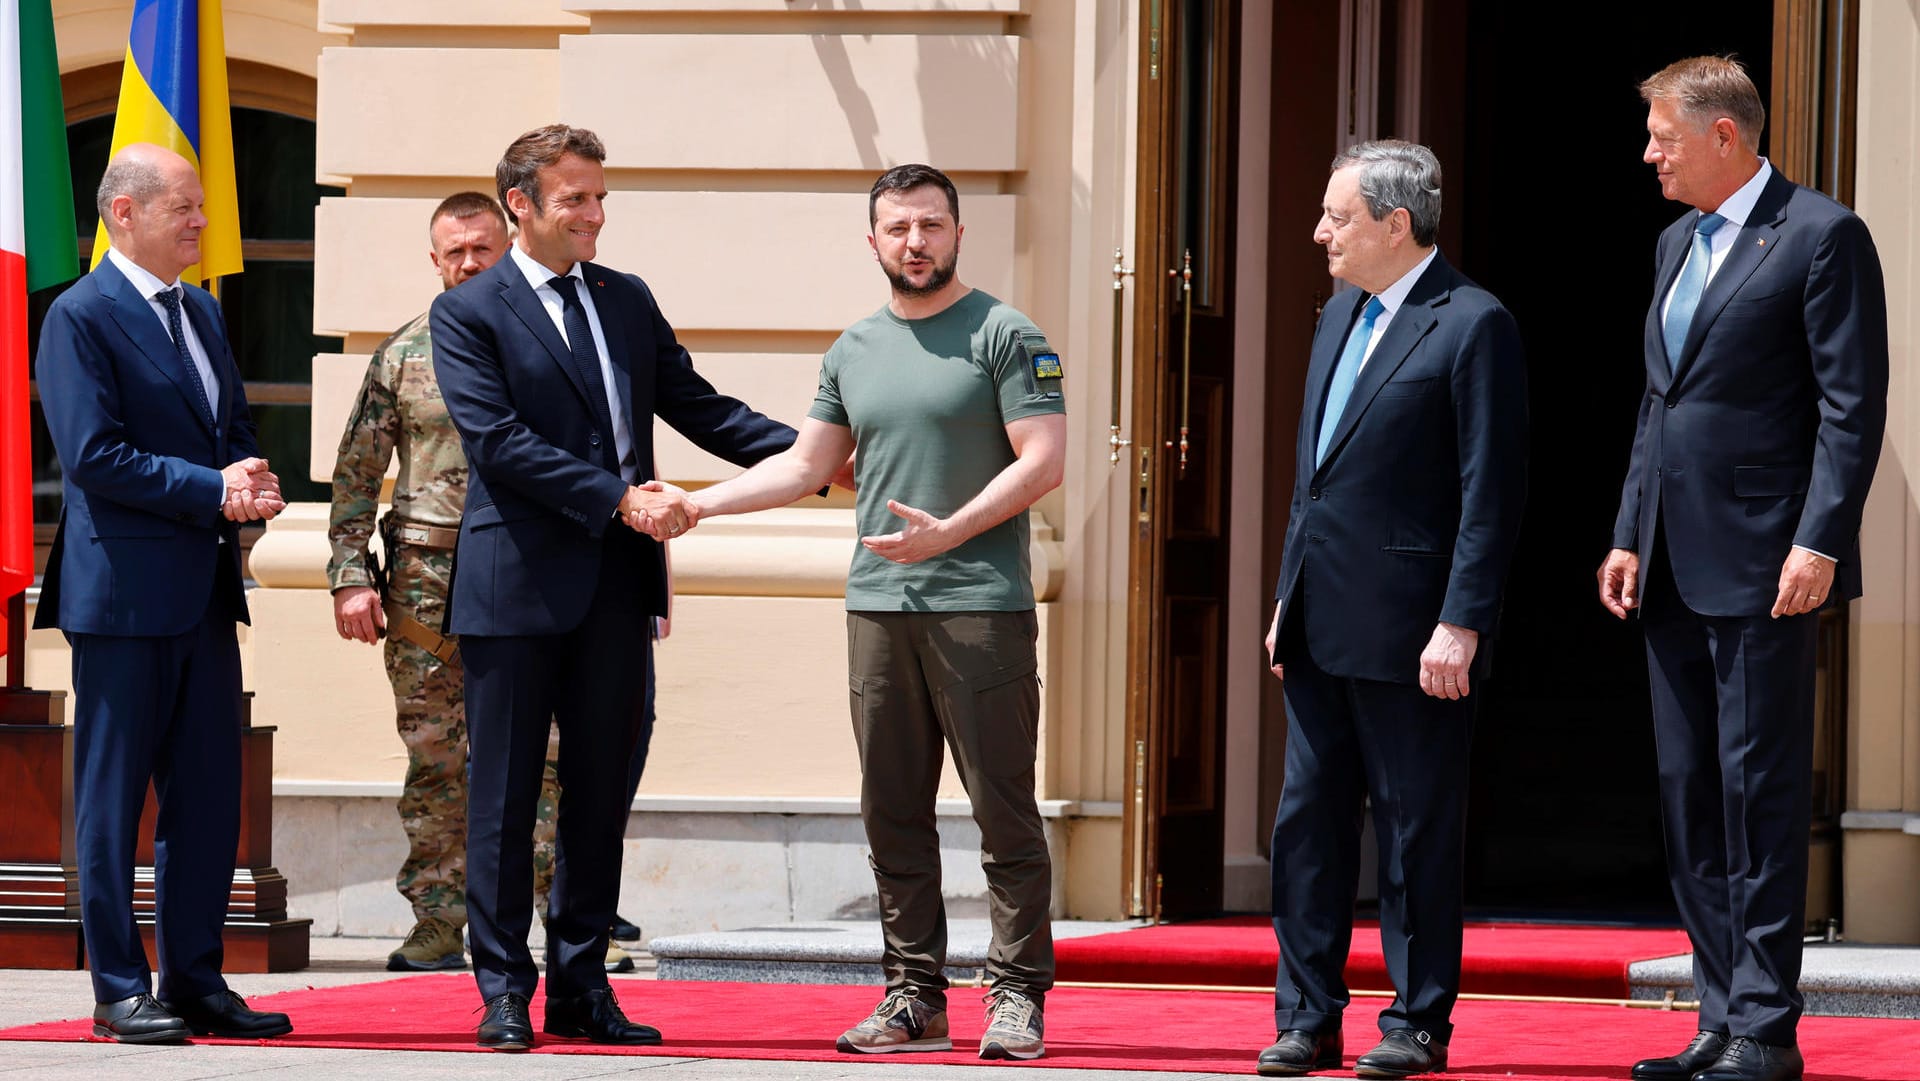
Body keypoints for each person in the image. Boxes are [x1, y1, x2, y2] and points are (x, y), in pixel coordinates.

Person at [682, 163, 1067, 1061]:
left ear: (958, 233)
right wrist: (698, 504)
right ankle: (913, 996)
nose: (915, 243)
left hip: (980, 606)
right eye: (898, 229)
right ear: (874, 242)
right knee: (891, 809)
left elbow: (1043, 459)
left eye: (931, 225)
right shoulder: (852, 348)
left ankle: (1016, 997)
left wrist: (952, 532)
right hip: (877, 606)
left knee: (1002, 809)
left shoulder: (1007, 335)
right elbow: (805, 466)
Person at [430, 124, 797, 1052]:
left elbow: (701, 406)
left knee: (602, 793)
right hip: (514, 588)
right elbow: (499, 443)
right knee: (505, 802)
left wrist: (824, 455)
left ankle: (583, 986)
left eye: (600, 198)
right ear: (521, 204)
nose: (594, 215)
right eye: (575, 199)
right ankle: (504, 990)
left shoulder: (625, 300)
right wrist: (620, 498)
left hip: (617, 589)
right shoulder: (470, 311)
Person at [1598, 57, 1887, 1081]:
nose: (1650, 153)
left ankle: (1766, 1026)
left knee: (1756, 790)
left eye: (1664, 135)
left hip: (1769, 562)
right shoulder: (1677, 240)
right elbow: (1658, 399)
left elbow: (1852, 407)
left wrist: (1820, 537)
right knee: (1689, 793)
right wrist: (1632, 526)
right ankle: (1719, 1014)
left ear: (1726, 135)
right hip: (1672, 560)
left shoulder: (1821, 236)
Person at [1257, 140, 1526, 1079]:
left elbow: (1489, 490)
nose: (1320, 231)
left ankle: (1416, 1022)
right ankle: (1307, 1014)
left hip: (1418, 629)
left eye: (1337, 215)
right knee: (1308, 826)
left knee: (1413, 831)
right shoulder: (1338, 315)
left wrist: (1463, 619)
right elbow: (1312, 480)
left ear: (1394, 223)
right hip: (1321, 617)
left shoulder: (1472, 322)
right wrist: (1287, 593)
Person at [325, 192, 639, 975]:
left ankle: (556, 925)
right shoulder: (402, 353)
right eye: (453, 252)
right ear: (434, 261)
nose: (468, 262)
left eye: (481, 249)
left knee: (549, 759)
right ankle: (437, 920)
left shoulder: (550, 343)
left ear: (508, 245)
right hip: (427, 589)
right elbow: (355, 476)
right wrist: (348, 578)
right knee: (436, 759)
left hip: (535, 576)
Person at [33, 144, 294, 1044]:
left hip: (203, 591)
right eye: (183, 206)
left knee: (208, 795)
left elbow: (228, 426)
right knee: (112, 800)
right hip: (122, 597)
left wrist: (250, 476)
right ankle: (117, 986)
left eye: (201, 206)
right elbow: (94, 455)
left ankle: (195, 977)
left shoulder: (204, 315)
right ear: (124, 214)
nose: (201, 221)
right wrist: (210, 489)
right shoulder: (81, 315)